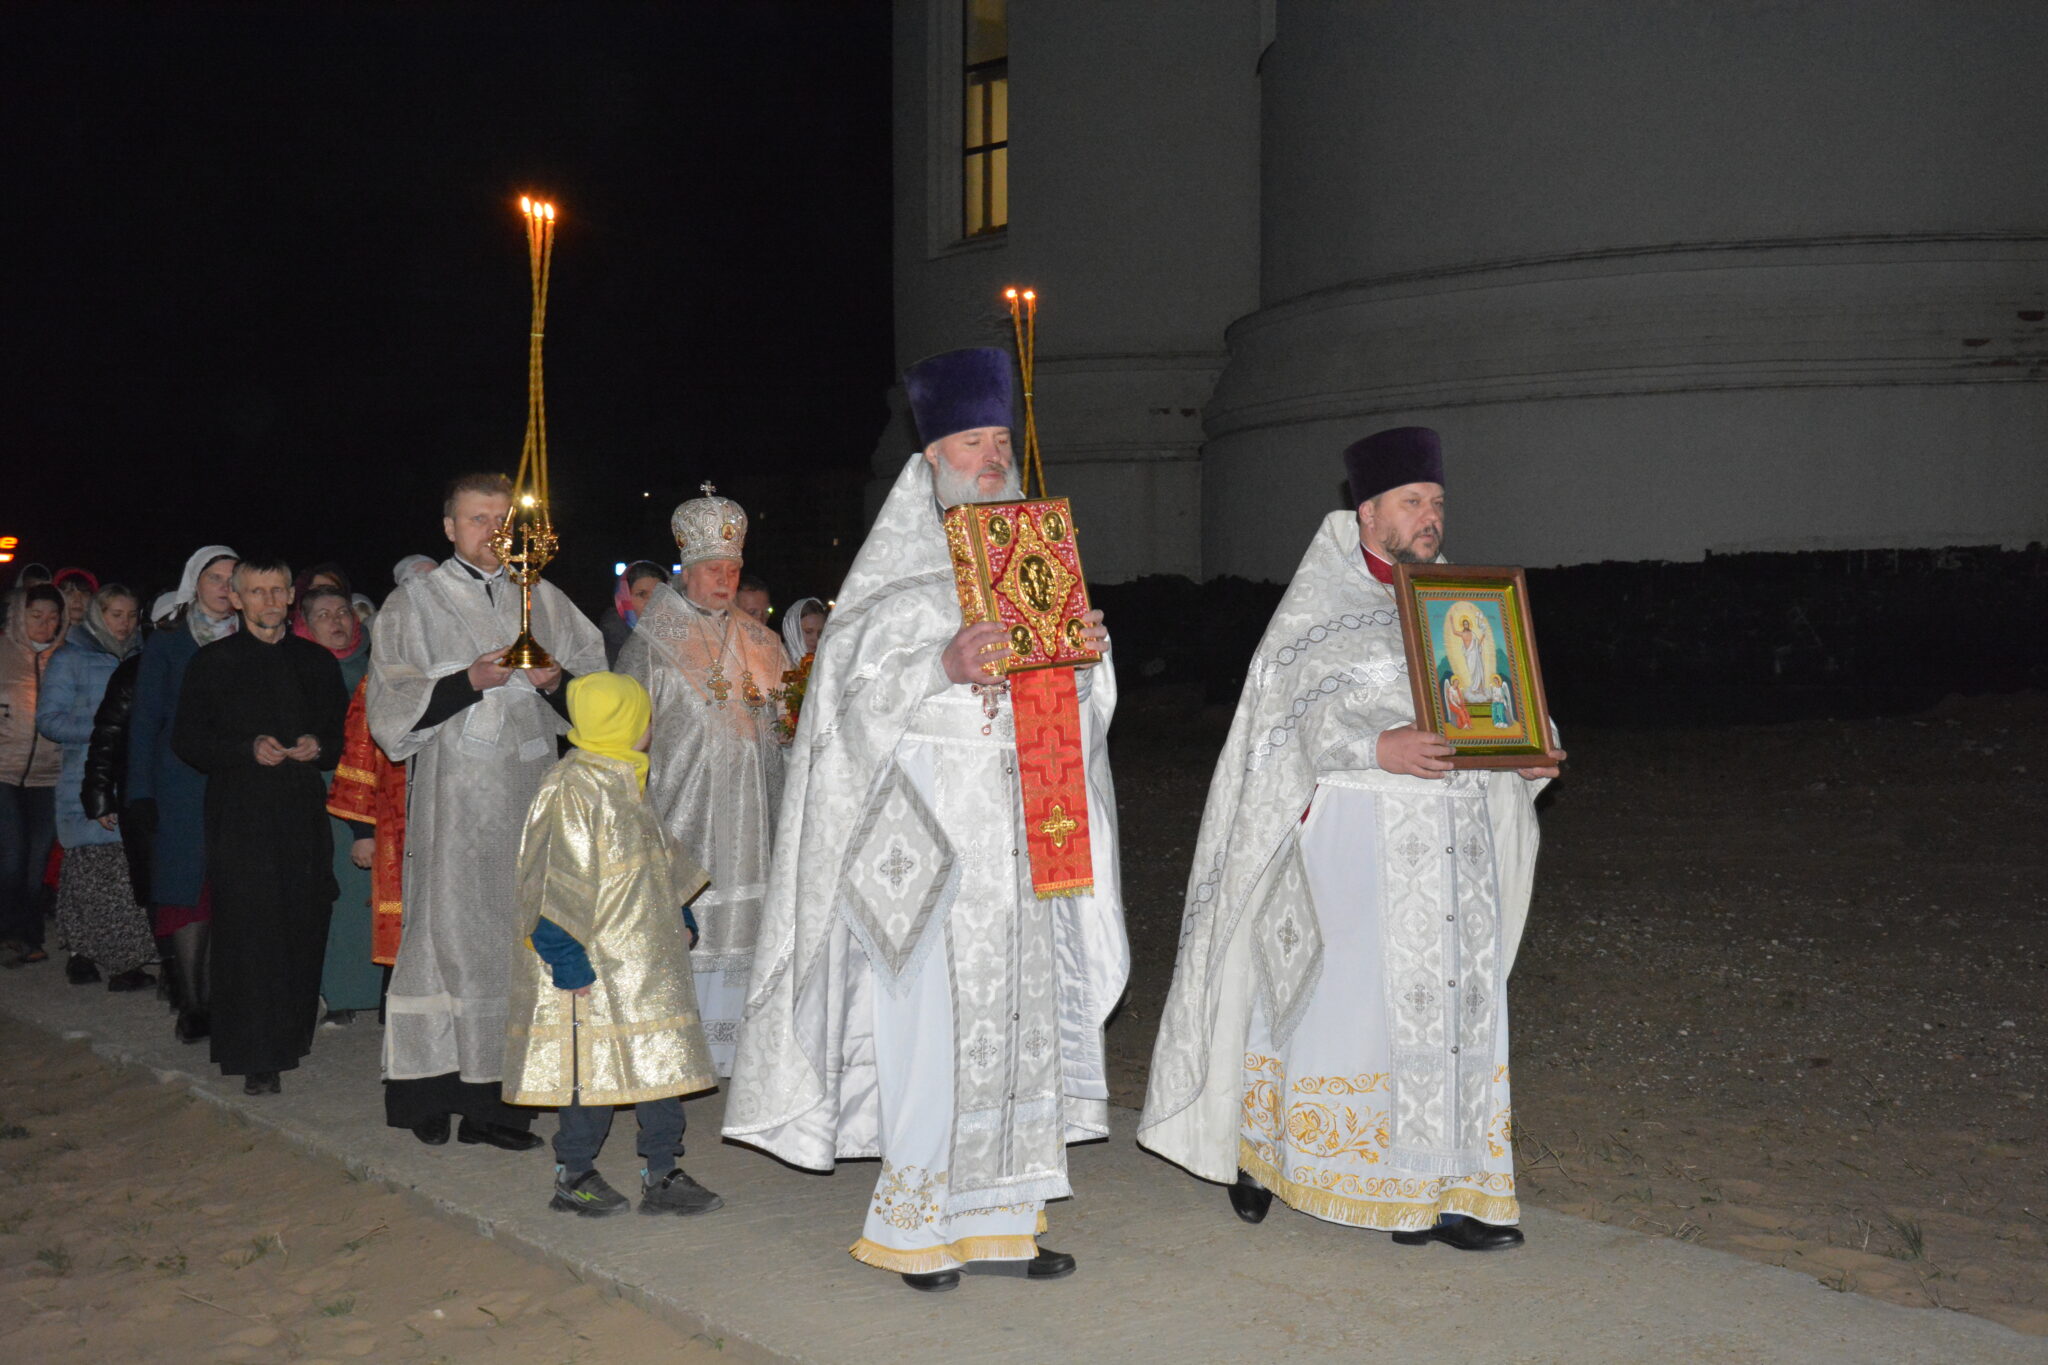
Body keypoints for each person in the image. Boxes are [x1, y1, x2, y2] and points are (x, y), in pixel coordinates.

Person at [724, 348, 1126, 1292]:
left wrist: (1086, 661)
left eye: (999, 442)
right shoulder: (892, 583)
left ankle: (1004, 1221)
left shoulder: (1035, 565)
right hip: (923, 845)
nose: (992, 457)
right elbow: (843, 710)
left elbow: (1073, 714)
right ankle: (918, 1227)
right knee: (929, 1033)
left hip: (1020, 836)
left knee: (1017, 1026)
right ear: (932, 458)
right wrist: (939, 666)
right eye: (971, 442)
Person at [1137, 426, 1565, 1252]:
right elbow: (1287, 723)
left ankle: (1442, 1194)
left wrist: (1533, 743)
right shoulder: (1318, 608)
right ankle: (1261, 1156)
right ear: (1368, 511)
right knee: (1330, 1006)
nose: (1431, 517)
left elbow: (1498, 699)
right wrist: (1378, 746)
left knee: (1451, 1010)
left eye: (1437, 502)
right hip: (1353, 852)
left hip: (1455, 853)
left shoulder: (1462, 605)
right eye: (1413, 502)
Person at [368, 472, 604, 1149]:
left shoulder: (546, 597)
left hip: (530, 789)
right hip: (456, 798)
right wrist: (468, 680)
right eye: (478, 519)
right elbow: (391, 706)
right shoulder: (414, 602)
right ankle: (431, 1096)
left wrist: (558, 681)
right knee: (450, 937)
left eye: (504, 520)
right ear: (449, 526)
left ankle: (499, 1110)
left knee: (519, 943)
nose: (493, 533)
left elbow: (597, 693)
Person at [503, 671, 724, 1217]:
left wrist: (680, 908)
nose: (651, 727)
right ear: (618, 721)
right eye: (643, 716)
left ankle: (662, 1171)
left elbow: (655, 855)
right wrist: (566, 960)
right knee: (591, 1073)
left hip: (646, 963)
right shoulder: (572, 788)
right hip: (594, 963)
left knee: (662, 1064)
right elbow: (554, 879)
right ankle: (573, 1172)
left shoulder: (623, 774)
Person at [615, 487, 788, 1075]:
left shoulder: (764, 642)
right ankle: (679, 1051)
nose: (724, 578)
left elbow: (788, 728)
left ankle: (745, 1054)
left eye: (733, 568)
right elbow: (624, 735)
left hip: (753, 816)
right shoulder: (651, 645)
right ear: (686, 571)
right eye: (713, 567)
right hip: (682, 812)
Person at [173, 558, 349, 1095]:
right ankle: (256, 1055)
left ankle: (291, 1036)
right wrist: (245, 748)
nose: (270, 601)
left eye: (278, 590)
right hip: (240, 815)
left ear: (290, 597)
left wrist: (321, 746)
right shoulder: (212, 663)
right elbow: (188, 741)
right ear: (238, 599)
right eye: (257, 591)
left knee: (301, 921)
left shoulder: (316, 662)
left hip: (300, 813)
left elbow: (342, 736)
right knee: (250, 932)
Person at [129, 545, 239, 1040]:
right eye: (214, 577)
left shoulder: (254, 636)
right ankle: (193, 1002)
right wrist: (139, 791)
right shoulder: (169, 641)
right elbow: (145, 720)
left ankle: (218, 998)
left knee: (226, 891)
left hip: (236, 783)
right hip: (179, 785)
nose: (223, 586)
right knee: (186, 893)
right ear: (195, 582)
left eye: (231, 578)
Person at [38, 584, 154, 988]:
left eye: (130, 615)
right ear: (96, 615)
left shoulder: (143, 659)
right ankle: (83, 954)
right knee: (87, 870)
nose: (123, 624)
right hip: (82, 777)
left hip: (129, 777)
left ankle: (123, 959)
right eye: (114, 614)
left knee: (123, 873)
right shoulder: (70, 658)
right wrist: (107, 728)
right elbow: (49, 720)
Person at [297, 583, 381, 1025]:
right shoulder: (299, 668)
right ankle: (337, 991)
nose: (337, 621)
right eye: (323, 614)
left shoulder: (376, 667)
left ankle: (371, 987)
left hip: (374, 792)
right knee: (336, 890)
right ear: (306, 624)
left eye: (343, 611)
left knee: (369, 893)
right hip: (323, 794)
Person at [0, 585, 67, 965]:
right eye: (36, 615)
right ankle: (12, 927)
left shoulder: (65, 657)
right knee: (11, 855)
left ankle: (26, 933)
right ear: (18, 615)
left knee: (37, 858)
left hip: (48, 773)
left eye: (53, 616)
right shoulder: (2, 653)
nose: (45, 623)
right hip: (3, 771)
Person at [598, 561, 669, 667]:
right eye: (642, 594)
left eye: (659, 595)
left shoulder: (674, 633)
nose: (652, 602)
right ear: (624, 597)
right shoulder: (610, 644)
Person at [780, 596, 827, 665]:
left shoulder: (827, 662)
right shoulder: (776, 663)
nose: (816, 638)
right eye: (808, 632)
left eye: (820, 633)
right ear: (793, 631)